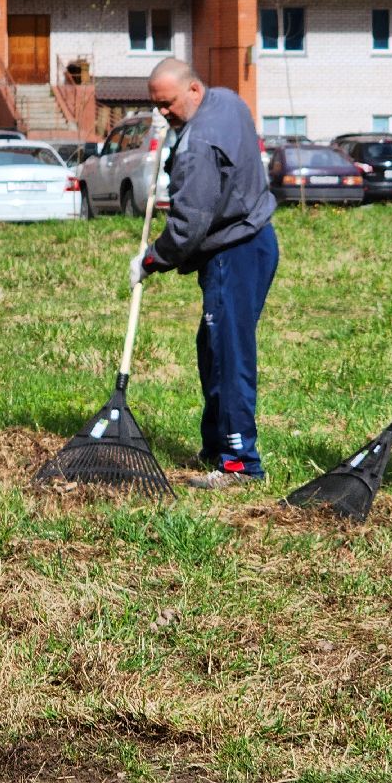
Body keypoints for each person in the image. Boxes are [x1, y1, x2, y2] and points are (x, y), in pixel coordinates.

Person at [131, 58, 278, 489]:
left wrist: (150, 259)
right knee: (212, 347)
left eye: (168, 104)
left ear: (193, 90)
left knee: (229, 354)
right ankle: (216, 445)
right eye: (156, 106)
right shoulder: (228, 102)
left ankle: (240, 462)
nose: (163, 113)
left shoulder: (198, 144)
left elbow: (186, 227)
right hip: (259, 241)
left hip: (233, 254)